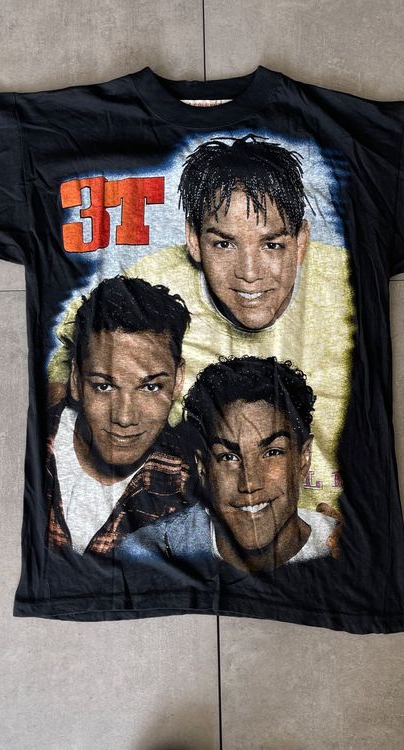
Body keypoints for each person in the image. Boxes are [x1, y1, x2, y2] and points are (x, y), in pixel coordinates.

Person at [47, 134, 355, 510]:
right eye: (224, 244)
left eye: (272, 245)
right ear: (194, 240)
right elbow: (69, 363)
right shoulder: (150, 281)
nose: (250, 273)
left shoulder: (349, 287)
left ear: (301, 241)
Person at [118, 356, 341, 573]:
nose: (249, 483)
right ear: (202, 468)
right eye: (228, 457)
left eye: (272, 453)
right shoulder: (148, 556)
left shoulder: (343, 546)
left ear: (304, 458)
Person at [45, 275, 193, 557]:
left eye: (150, 387)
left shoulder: (193, 482)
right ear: (75, 379)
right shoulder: (25, 445)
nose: (125, 418)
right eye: (104, 386)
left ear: (177, 380)